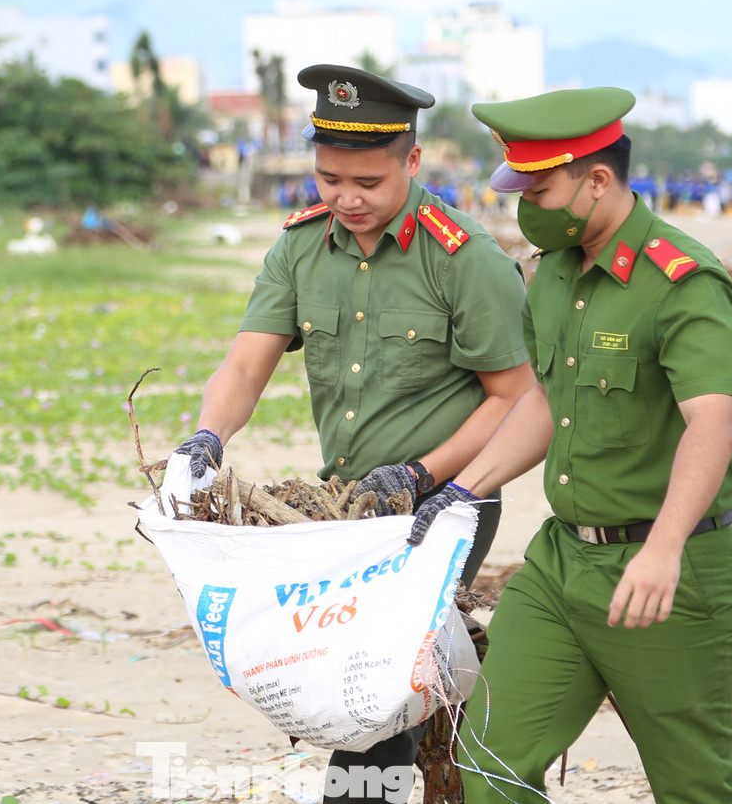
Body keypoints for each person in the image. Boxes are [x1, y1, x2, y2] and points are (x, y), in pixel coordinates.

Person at [159, 64, 537, 804]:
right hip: (346, 508)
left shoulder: (463, 258)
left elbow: (515, 397)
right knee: (361, 683)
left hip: (450, 499)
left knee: (376, 690)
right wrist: (207, 437)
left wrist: (422, 474)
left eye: (368, 181)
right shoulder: (301, 247)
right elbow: (246, 362)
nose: (347, 199)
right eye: (330, 179)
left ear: (412, 162)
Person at [412, 87, 732, 804]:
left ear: (597, 180)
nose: (523, 204)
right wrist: (462, 489)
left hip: (670, 574)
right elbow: (544, 396)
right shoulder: (554, 270)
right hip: (561, 565)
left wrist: (663, 547)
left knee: (694, 787)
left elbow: (713, 421)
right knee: (487, 759)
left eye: (539, 188)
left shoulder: (682, 282)